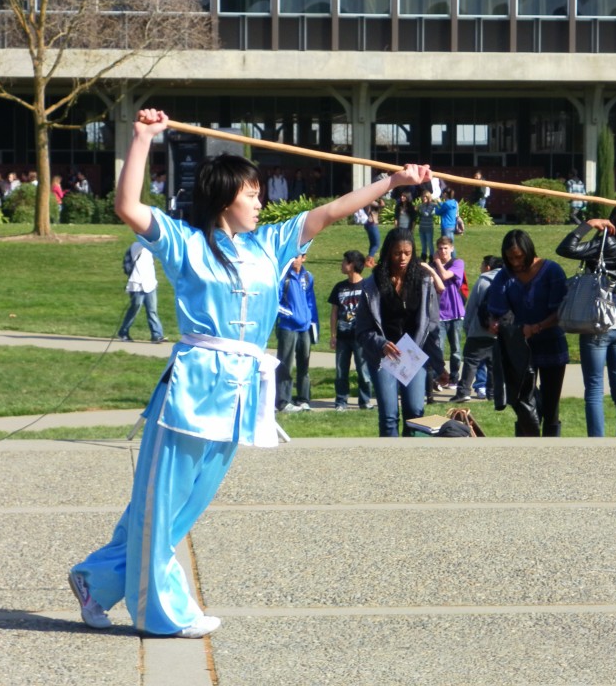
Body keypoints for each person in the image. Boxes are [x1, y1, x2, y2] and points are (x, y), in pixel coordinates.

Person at [68, 107, 431, 638]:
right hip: (193, 386)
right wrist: (144, 138)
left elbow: (329, 212)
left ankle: (96, 581)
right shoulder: (184, 241)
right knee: (160, 499)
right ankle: (162, 612)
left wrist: (392, 181)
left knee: (182, 507)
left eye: (261, 193)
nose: (261, 200)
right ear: (224, 198)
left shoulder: (271, 244)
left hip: (241, 391)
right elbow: (127, 205)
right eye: (252, 193)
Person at [557, 208, 616, 438]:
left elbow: (565, 248)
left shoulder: (605, 245)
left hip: (597, 320)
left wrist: (588, 224)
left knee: (594, 388)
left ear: (615, 221)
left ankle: (597, 442)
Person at [355, 227, 447, 437]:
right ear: (388, 252)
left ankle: (411, 460)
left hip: (413, 356)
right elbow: (362, 330)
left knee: (415, 412)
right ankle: (390, 459)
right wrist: (381, 344)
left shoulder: (424, 281)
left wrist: (439, 365)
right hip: (384, 356)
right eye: (397, 253)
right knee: (389, 415)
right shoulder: (372, 284)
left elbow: (432, 327)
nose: (403, 258)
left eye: (408, 253)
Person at [486, 229, 568, 437]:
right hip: (520, 347)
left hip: (550, 343)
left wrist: (537, 327)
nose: (515, 262)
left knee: (551, 405)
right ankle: (525, 445)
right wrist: (494, 322)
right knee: (522, 403)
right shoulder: (505, 276)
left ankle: (551, 447)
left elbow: (560, 312)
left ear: (528, 250)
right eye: (510, 258)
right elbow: (495, 310)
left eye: (519, 257)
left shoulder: (552, 271)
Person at [450, 255, 502, 402]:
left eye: (482, 264)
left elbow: (472, 306)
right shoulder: (509, 280)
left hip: (479, 330)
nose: (480, 267)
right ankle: (492, 394)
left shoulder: (483, 280)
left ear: (488, 267)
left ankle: (463, 392)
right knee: (494, 366)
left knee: (471, 362)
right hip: (500, 332)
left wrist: (467, 327)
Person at [328, 250, 374, 411]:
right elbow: (334, 312)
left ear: (352, 265)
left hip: (360, 337)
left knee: (363, 371)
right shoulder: (339, 287)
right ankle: (341, 401)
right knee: (341, 371)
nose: (341, 264)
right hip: (342, 336)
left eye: (344, 262)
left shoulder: (367, 286)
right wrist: (333, 335)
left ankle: (365, 401)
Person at [275, 253, 319, 412]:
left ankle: (303, 399)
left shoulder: (307, 277)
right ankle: (283, 401)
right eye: (292, 257)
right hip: (288, 327)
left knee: (304, 364)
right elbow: (276, 302)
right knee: (285, 364)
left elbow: (311, 302)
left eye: (297, 256)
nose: (294, 260)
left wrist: (313, 323)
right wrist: (291, 315)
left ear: (304, 258)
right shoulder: (283, 278)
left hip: (305, 328)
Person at [431, 235, 466, 388]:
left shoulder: (457, 263)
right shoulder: (432, 267)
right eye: (440, 248)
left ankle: (454, 378)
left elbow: (445, 275)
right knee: (438, 349)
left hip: (456, 313)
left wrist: (437, 262)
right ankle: (439, 377)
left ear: (452, 248)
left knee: (456, 350)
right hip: (438, 313)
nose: (443, 251)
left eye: (445, 248)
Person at [117, 241, 166, 343]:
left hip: (150, 284)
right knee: (135, 308)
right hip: (137, 284)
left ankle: (157, 335)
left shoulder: (152, 249)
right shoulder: (136, 246)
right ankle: (123, 332)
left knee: (152, 310)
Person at [417, 191, 436, 262]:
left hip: (429, 227)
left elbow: (426, 214)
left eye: (425, 197)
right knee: (423, 244)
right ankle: (423, 258)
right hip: (422, 227)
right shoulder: (422, 205)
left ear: (429, 197)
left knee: (430, 243)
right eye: (423, 196)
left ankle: (432, 258)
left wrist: (419, 208)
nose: (424, 198)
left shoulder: (431, 205)